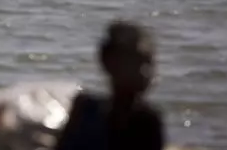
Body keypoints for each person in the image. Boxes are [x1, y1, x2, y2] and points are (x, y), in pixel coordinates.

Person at [54, 20, 165, 150]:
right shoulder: (85, 109)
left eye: (149, 63)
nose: (146, 72)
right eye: (137, 63)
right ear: (109, 63)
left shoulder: (86, 109)